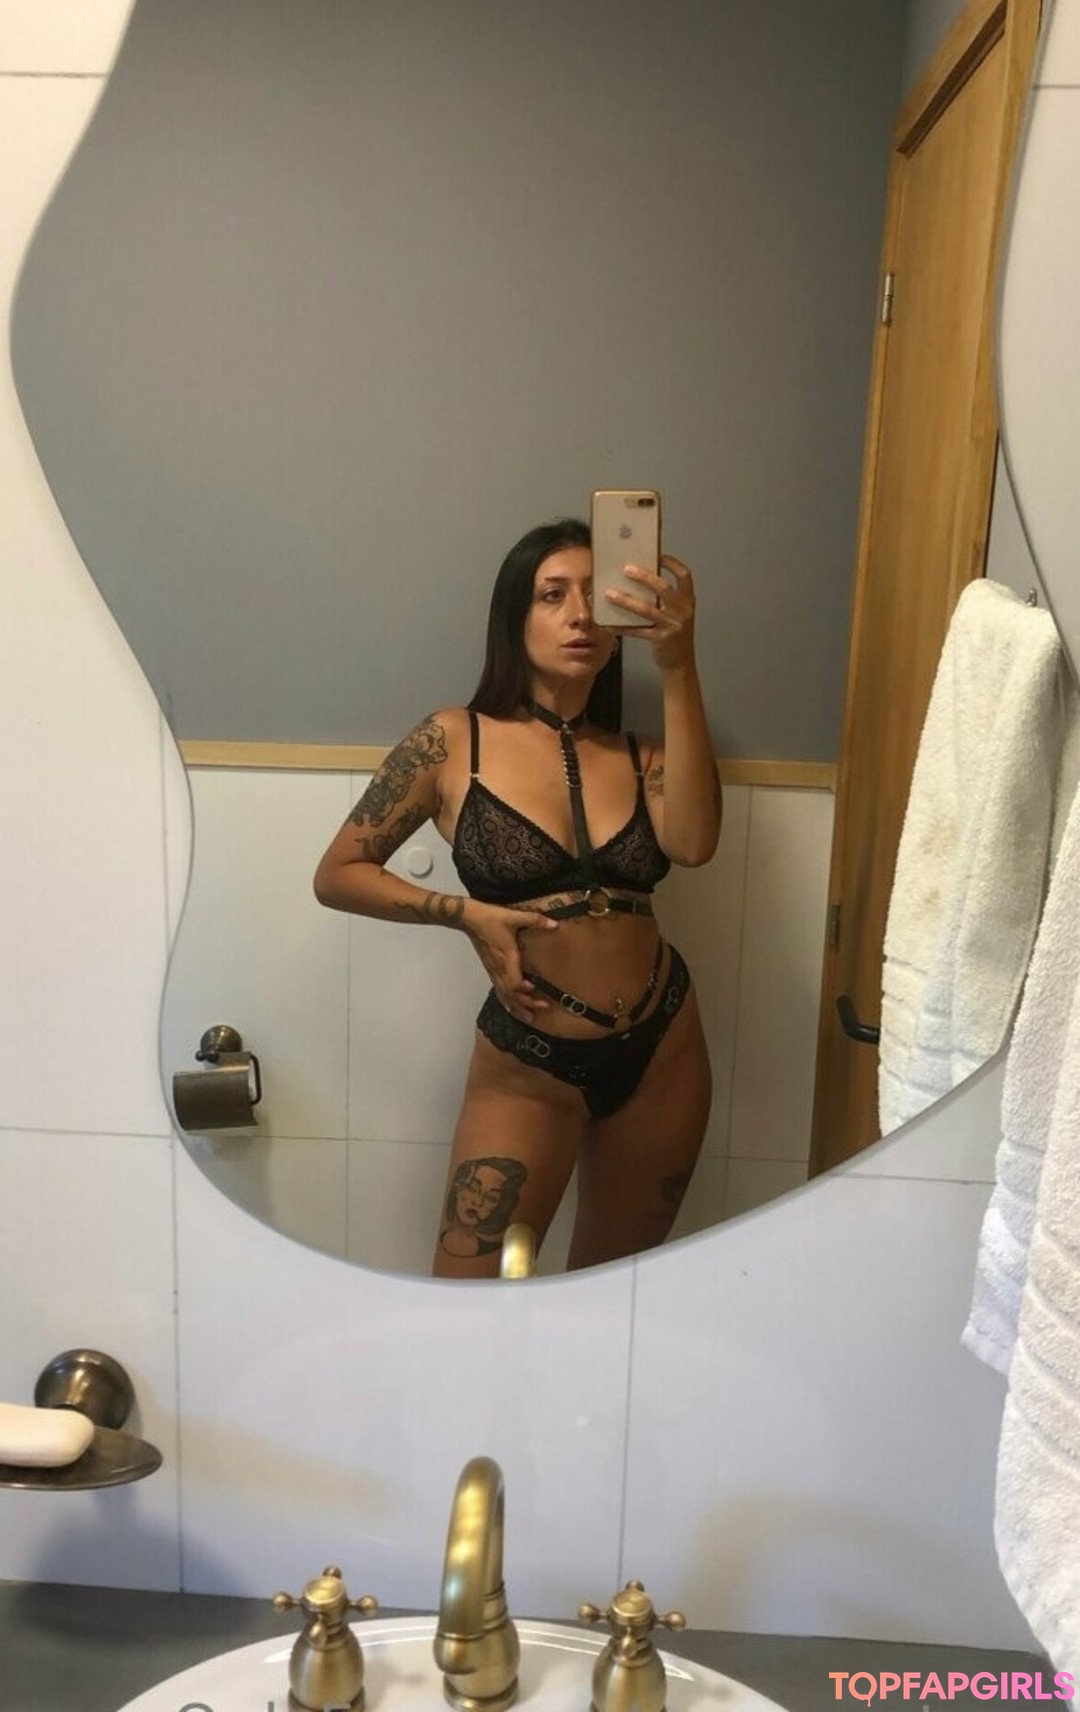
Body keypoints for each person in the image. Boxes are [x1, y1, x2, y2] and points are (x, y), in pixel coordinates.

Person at [314, 518, 721, 1278]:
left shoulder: (645, 757)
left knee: (618, 1293)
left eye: (596, 597)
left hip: (662, 1045)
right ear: (514, 617)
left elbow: (695, 844)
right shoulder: (451, 740)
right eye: (552, 595)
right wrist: (464, 914)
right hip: (529, 1060)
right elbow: (339, 872)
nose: (579, 616)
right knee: (466, 1293)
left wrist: (678, 664)